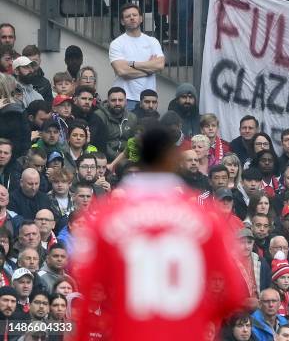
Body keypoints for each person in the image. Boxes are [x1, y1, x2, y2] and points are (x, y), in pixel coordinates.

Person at [72, 126, 246, 339]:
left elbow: (88, 290)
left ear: (139, 160)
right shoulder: (204, 219)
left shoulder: (105, 220)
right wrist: (197, 320)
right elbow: (234, 295)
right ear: (173, 160)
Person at [108, 4, 165, 109]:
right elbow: (122, 71)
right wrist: (150, 69)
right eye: (127, 16)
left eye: (135, 15)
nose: (132, 18)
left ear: (141, 18)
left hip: (148, 99)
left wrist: (133, 64)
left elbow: (160, 65)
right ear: (122, 21)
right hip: (126, 99)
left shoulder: (152, 41)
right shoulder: (117, 44)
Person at [94, 87, 137, 161]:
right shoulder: (99, 116)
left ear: (126, 102)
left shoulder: (132, 117)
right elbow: (100, 143)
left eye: (120, 100)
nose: (117, 103)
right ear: (108, 101)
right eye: (113, 100)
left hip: (127, 158)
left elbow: (134, 141)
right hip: (105, 158)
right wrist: (119, 158)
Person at [72, 86, 108, 152]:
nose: (87, 102)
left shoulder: (97, 119)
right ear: (75, 100)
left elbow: (102, 146)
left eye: (90, 99)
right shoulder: (69, 117)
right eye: (83, 98)